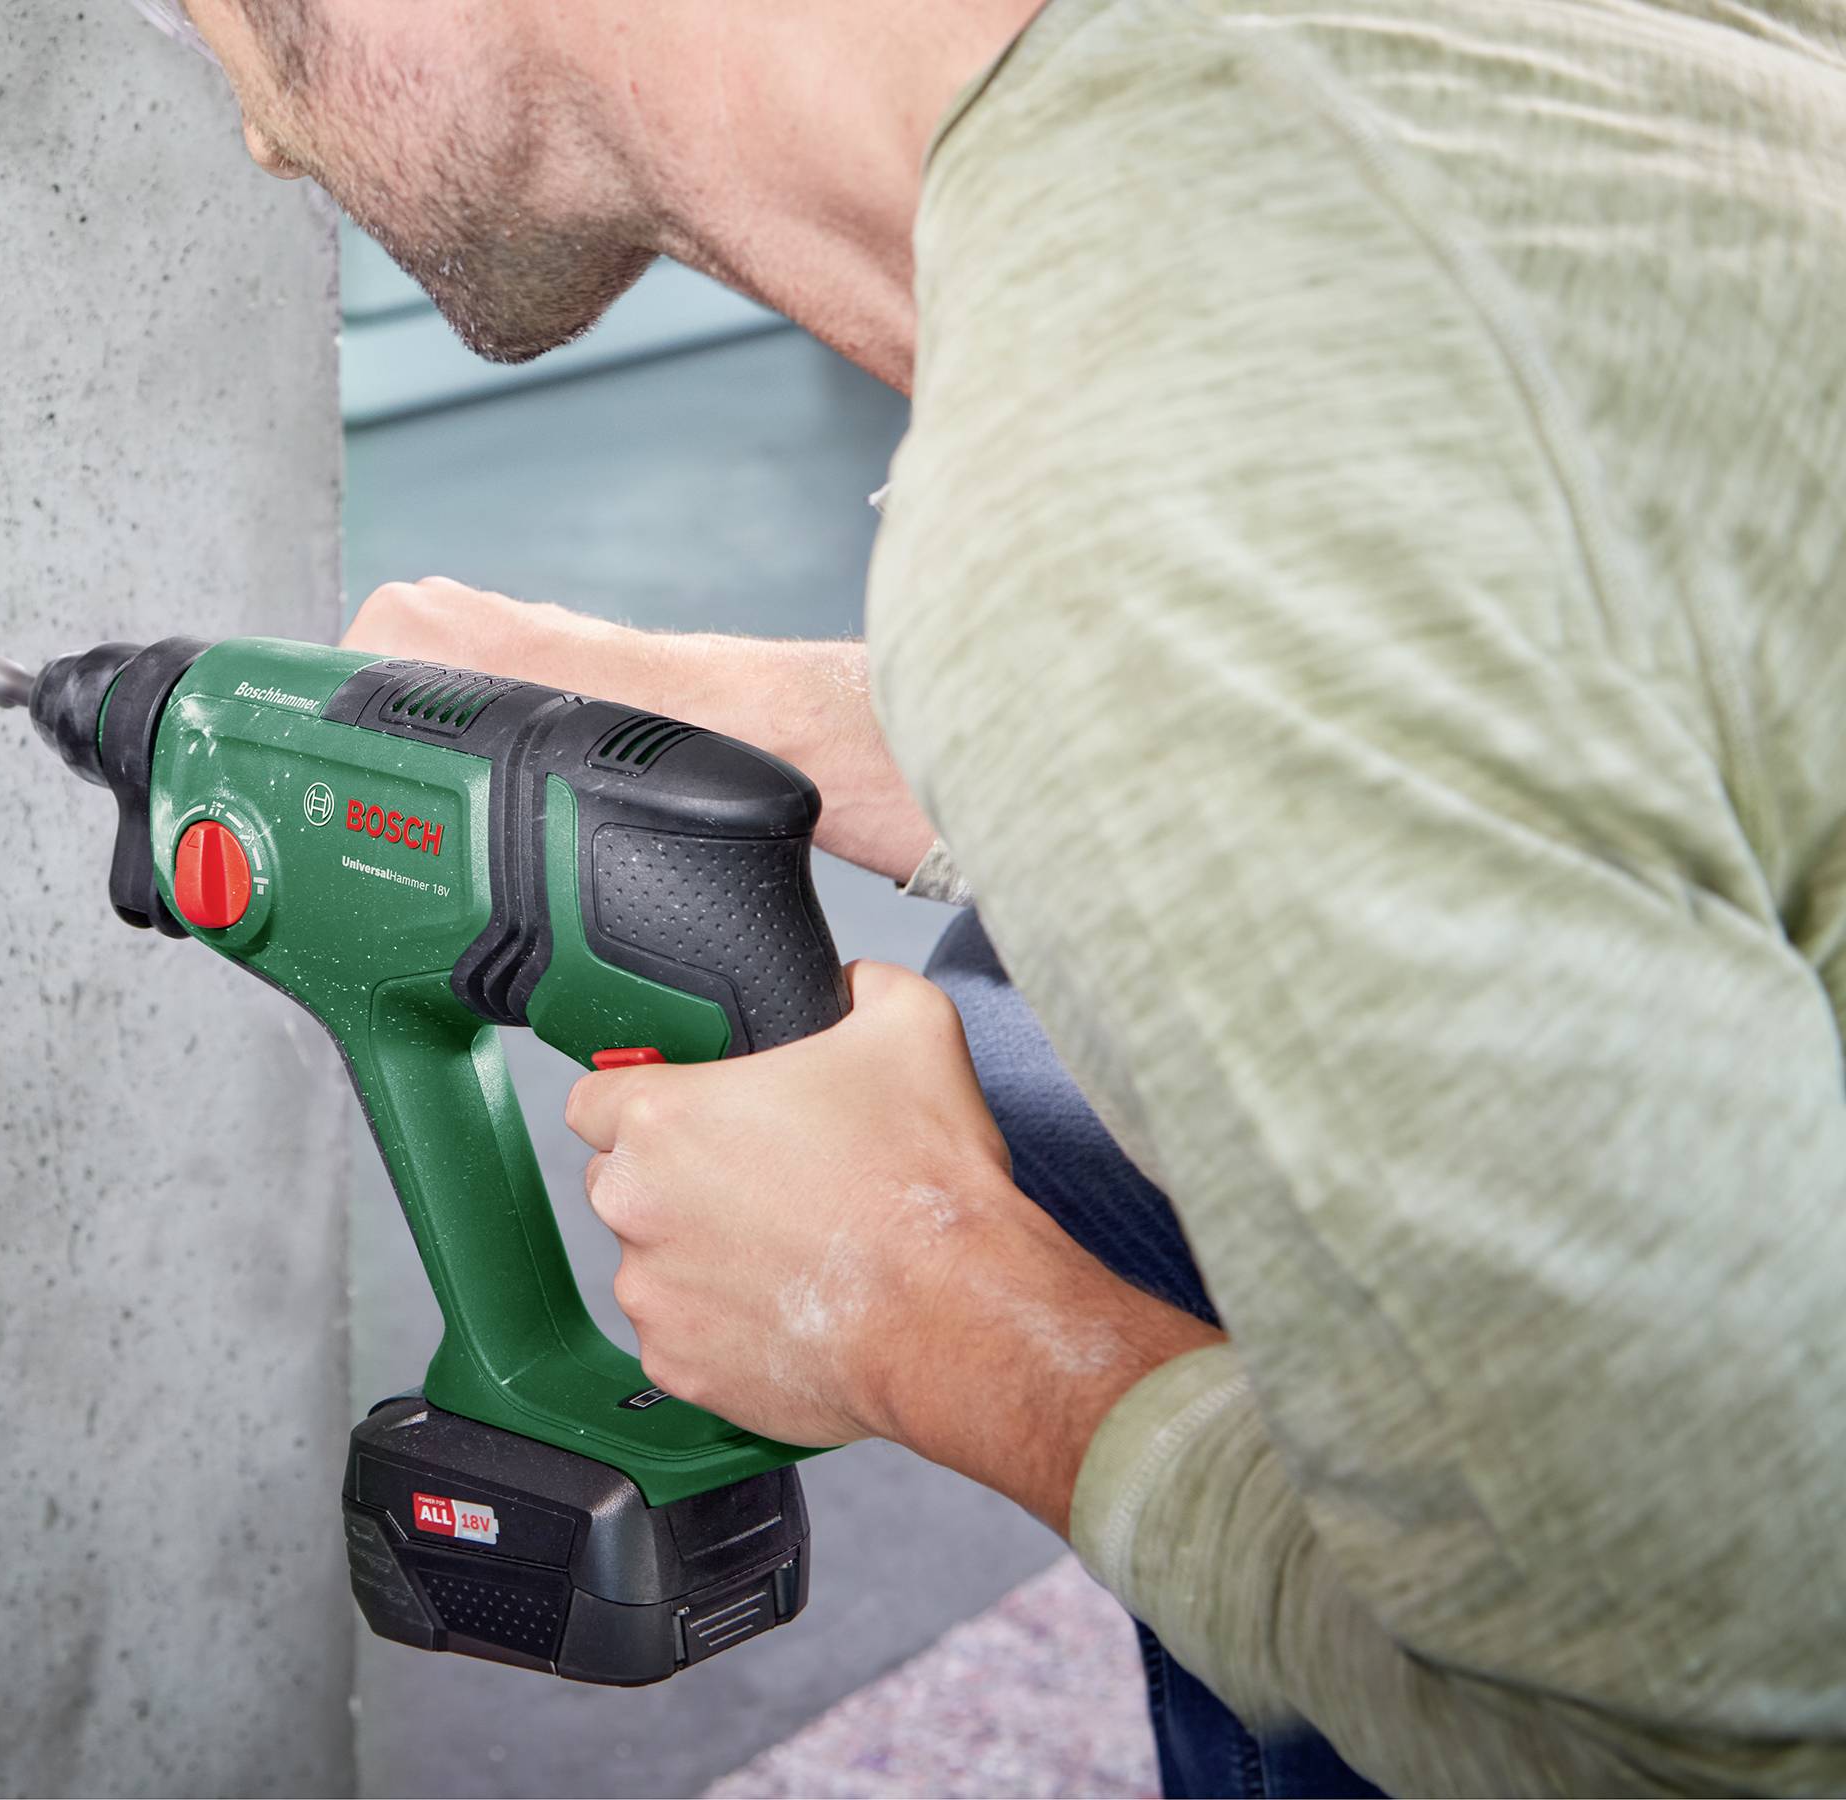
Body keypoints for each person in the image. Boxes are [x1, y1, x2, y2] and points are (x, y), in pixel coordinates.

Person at [148, 0, 1846, 1792]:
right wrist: (726, 716)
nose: (260, 134)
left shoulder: (1121, 500)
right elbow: (1514, 620)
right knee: (1035, 1016)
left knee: (1015, 1094)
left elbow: (1686, 1740)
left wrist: (916, 1298)